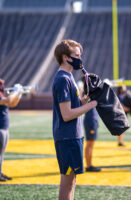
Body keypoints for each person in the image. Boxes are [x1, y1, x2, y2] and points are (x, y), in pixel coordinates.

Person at [52, 39, 97, 200]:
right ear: (65, 57)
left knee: (72, 180)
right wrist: (92, 104)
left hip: (73, 135)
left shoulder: (69, 76)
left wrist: (88, 97)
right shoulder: (63, 78)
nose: (80, 58)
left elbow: (76, 105)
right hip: (67, 136)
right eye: (76, 55)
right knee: (68, 182)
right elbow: (67, 114)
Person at [0, 78, 22, 182]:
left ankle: (0, 172)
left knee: (1, 152)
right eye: (1, 85)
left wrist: (18, 94)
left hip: (3, 127)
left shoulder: (0, 96)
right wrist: (15, 91)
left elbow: (12, 104)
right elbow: (8, 100)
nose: (3, 87)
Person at [84, 108, 101, 172]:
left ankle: (89, 165)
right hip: (91, 121)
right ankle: (88, 166)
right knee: (89, 144)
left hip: (93, 120)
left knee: (91, 144)